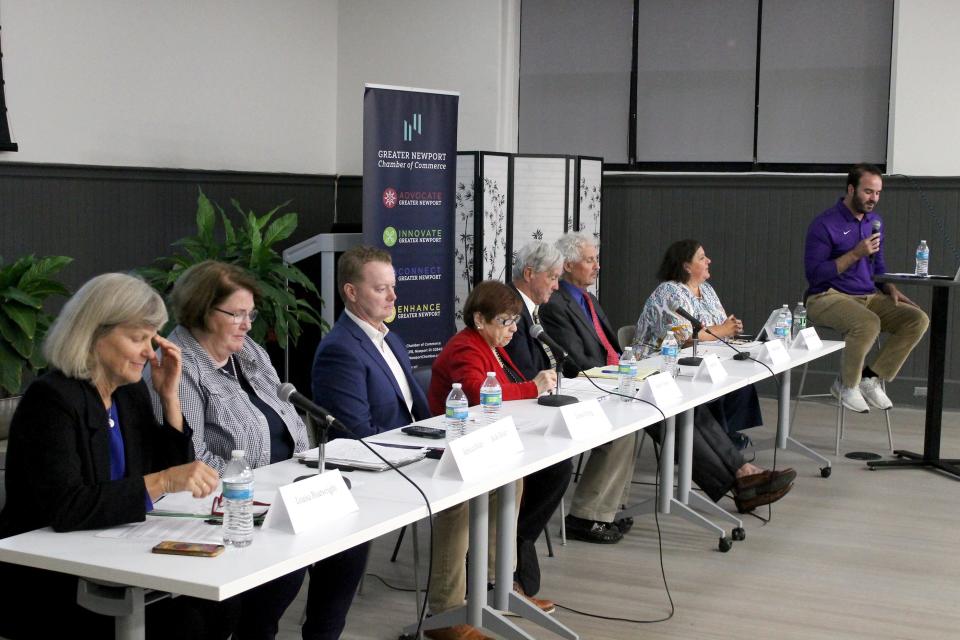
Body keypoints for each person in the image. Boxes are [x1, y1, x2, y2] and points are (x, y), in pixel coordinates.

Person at [0, 273, 238, 639]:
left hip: (115, 560)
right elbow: (67, 506)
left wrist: (169, 398)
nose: (149, 351)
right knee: (186, 623)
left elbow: (164, 475)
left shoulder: (129, 394)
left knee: (222, 605)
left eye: (151, 338)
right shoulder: (51, 400)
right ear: (94, 335)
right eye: (137, 338)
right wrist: (164, 480)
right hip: (53, 579)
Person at [147, 260, 366, 640]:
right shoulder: (180, 365)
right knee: (287, 564)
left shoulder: (248, 351)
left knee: (351, 542)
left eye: (251, 313)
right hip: (232, 500)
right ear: (202, 310)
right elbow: (193, 459)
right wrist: (258, 485)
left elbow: (286, 415)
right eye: (237, 314)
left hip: (287, 484)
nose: (248, 325)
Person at [426, 280, 558, 640]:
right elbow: (478, 396)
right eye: (505, 321)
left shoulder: (493, 346)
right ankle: (446, 613)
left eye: (515, 321)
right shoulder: (466, 348)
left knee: (513, 481)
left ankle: (497, 586)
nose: (513, 329)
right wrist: (533, 387)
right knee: (461, 506)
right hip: (450, 451)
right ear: (480, 318)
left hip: (481, 443)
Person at [634, 240, 796, 512]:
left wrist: (728, 329)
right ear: (686, 265)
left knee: (732, 388)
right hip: (656, 373)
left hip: (696, 367)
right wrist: (722, 330)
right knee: (695, 410)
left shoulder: (706, 290)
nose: (709, 260)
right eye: (702, 257)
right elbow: (685, 338)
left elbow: (720, 328)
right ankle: (744, 477)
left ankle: (744, 475)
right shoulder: (669, 292)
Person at [804, 163, 929, 413]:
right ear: (851, 189)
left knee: (917, 319)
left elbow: (877, 263)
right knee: (868, 323)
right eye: (869, 192)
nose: (874, 199)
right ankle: (847, 384)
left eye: (878, 193)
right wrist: (854, 254)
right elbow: (815, 275)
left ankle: (871, 378)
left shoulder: (874, 221)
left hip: (869, 295)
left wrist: (889, 287)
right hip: (826, 296)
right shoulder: (825, 224)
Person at [538, 232, 637, 543]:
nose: (597, 266)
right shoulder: (556, 303)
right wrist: (612, 377)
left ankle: (608, 507)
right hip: (586, 386)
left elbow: (607, 345)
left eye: (596, 259)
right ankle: (587, 515)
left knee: (647, 414)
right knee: (626, 424)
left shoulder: (589, 299)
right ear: (568, 265)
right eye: (590, 260)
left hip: (612, 379)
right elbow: (574, 360)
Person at [503, 241, 573, 597]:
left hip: (527, 409)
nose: (557, 286)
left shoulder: (529, 309)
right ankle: (514, 546)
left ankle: (518, 541)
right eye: (553, 277)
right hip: (505, 416)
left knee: (560, 461)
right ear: (529, 274)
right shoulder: (509, 308)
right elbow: (519, 372)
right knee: (556, 463)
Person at [311, 246, 430, 438]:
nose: (393, 296)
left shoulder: (393, 341)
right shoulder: (338, 351)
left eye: (393, 287)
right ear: (351, 292)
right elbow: (356, 434)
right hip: (384, 460)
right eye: (381, 289)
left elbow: (415, 412)